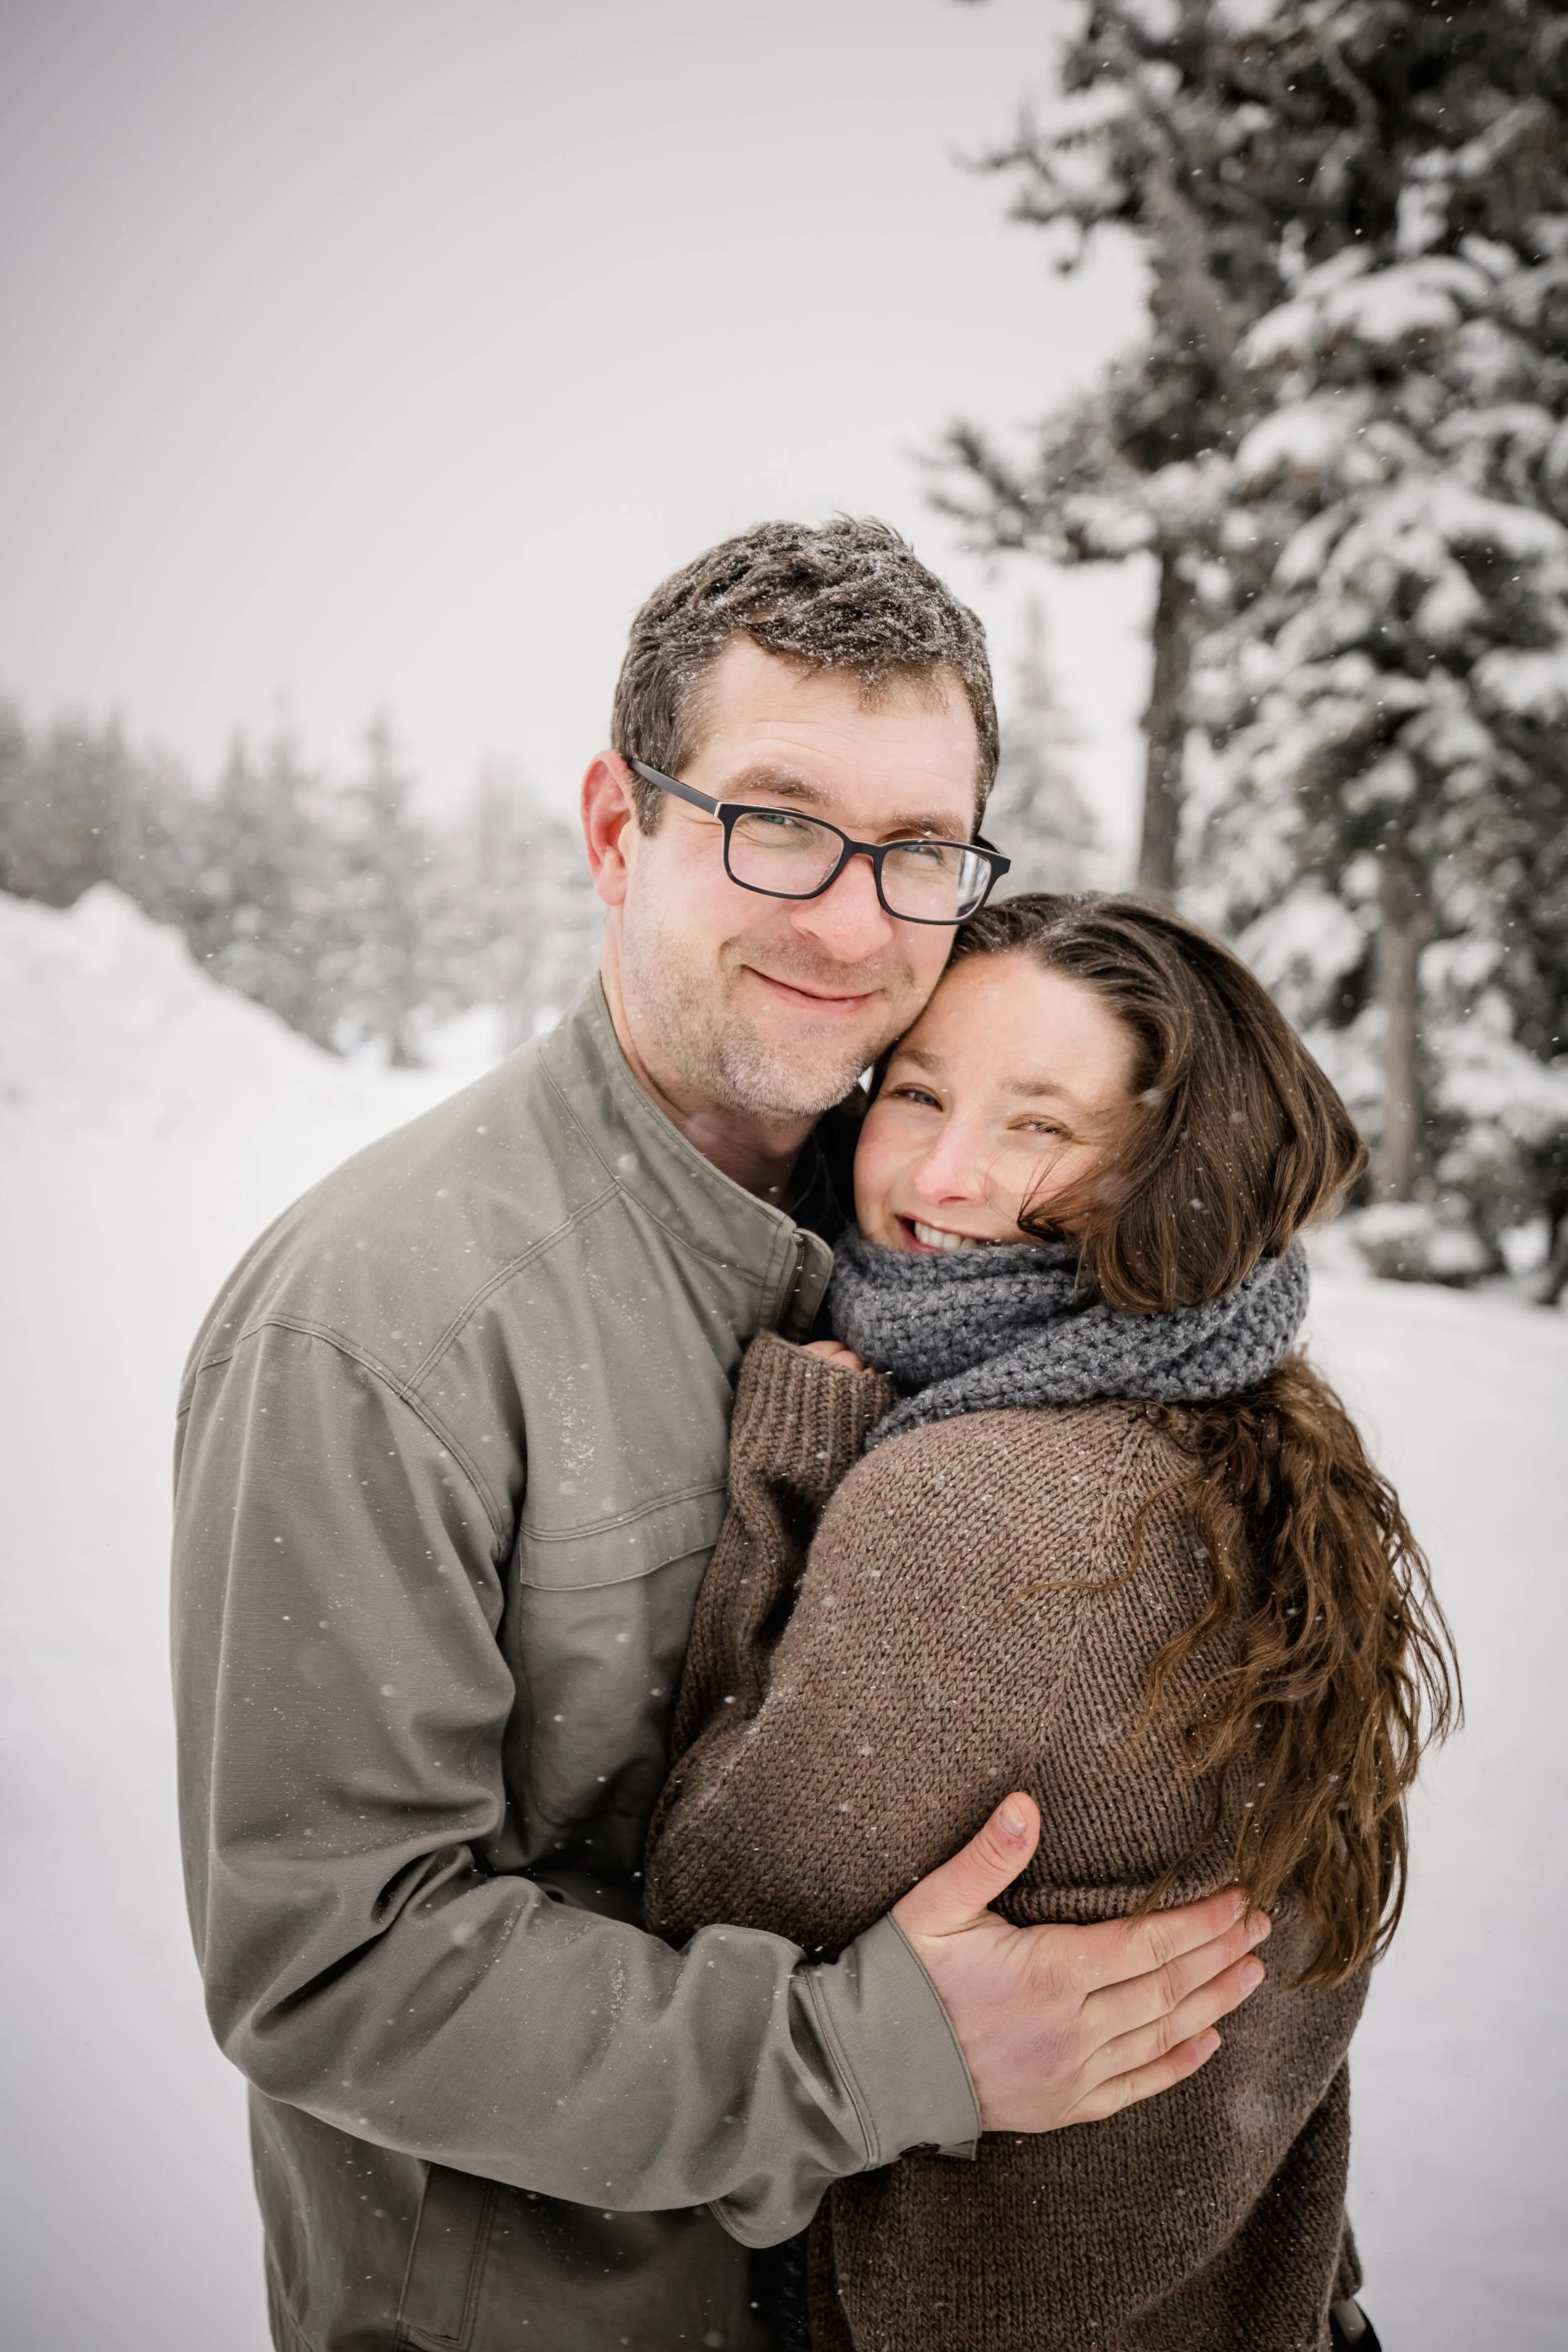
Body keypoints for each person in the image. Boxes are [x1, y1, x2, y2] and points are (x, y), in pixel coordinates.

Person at [172, 520, 1272, 2352]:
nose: (851, 921)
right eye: (777, 820)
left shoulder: (944, 1228)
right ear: (619, 830)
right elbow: (333, 1963)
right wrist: (872, 2053)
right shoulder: (384, 1323)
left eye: (916, 850)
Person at [642, 894, 1458, 2352]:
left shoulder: (976, 1504)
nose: (942, 1173)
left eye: (1038, 1125)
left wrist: (788, 1464)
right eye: (916, 1094)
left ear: (1172, 1172)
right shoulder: (1264, 1440)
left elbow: (710, 1907)